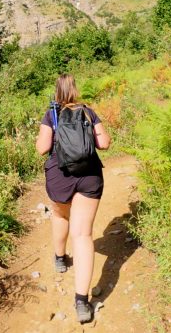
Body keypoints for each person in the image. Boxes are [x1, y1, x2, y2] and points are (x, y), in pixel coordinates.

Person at [34, 73, 111, 323]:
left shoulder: (51, 115)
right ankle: (81, 301)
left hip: (60, 176)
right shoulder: (88, 112)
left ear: (57, 91)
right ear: (75, 90)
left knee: (59, 213)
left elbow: (42, 148)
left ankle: (59, 258)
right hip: (89, 175)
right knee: (83, 235)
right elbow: (105, 143)